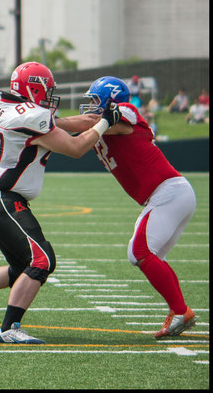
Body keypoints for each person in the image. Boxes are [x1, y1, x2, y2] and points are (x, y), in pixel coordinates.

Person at [0, 62, 122, 344]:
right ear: (33, 89)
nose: (49, 97)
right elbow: (75, 148)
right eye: (46, 91)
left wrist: (98, 118)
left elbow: (60, 124)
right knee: (41, 260)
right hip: (2, 196)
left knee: (25, 266)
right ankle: (9, 328)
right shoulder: (32, 117)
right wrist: (106, 121)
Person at [56, 76, 198, 339]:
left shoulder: (127, 113)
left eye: (95, 101)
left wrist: (51, 120)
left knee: (139, 251)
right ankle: (179, 311)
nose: (90, 107)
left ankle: (181, 311)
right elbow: (74, 139)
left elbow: (88, 122)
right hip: (165, 195)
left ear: (111, 101)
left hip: (168, 192)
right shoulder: (104, 127)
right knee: (152, 256)